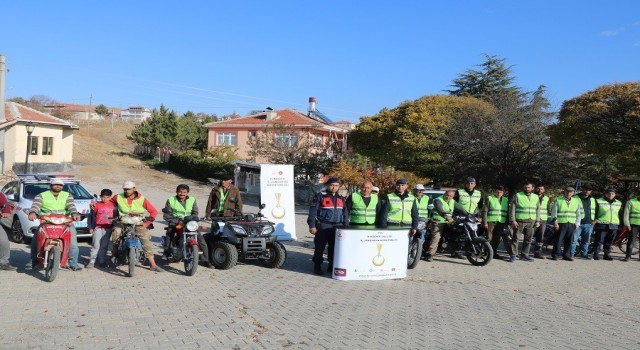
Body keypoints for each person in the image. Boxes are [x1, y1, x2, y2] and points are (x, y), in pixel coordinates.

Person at [27, 178, 83, 271]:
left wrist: (74, 214)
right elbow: (35, 206)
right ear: (51, 185)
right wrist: (32, 212)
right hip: (47, 221)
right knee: (36, 240)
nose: (58, 186)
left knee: (73, 243)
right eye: (56, 184)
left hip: (65, 222)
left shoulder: (67, 195)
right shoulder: (41, 195)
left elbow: (72, 207)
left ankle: (73, 263)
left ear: (62, 186)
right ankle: (34, 260)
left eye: (60, 185)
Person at [109, 181, 163, 272]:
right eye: (125, 189)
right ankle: (114, 253)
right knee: (116, 232)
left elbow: (154, 211)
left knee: (145, 238)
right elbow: (108, 203)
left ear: (134, 189)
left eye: (129, 189)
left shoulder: (142, 199)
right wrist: (96, 204)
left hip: (138, 223)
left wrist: (146, 223)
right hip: (123, 221)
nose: (126, 191)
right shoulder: (118, 197)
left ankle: (152, 264)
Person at [162, 184, 212, 268]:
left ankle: (205, 260)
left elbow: (195, 212)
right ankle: (166, 252)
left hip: (188, 222)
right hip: (175, 221)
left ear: (187, 193)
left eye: (184, 192)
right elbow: (167, 215)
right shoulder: (171, 200)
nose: (182, 194)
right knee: (170, 233)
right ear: (176, 192)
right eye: (180, 192)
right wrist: (177, 221)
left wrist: (194, 219)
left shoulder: (192, 200)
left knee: (201, 240)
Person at [307, 177, 348, 275]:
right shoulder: (320, 196)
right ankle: (317, 266)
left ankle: (331, 265)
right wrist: (312, 225)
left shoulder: (341, 198)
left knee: (334, 247)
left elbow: (345, 214)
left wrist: (346, 227)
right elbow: (312, 212)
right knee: (319, 247)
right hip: (323, 226)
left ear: (339, 187)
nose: (334, 187)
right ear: (327, 185)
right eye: (332, 185)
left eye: (336, 185)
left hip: (337, 227)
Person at [425, 190, 467, 261]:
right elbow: (440, 210)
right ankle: (430, 254)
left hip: (449, 222)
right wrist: (446, 217)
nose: (448, 197)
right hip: (438, 221)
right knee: (436, 237)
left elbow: (461, 209)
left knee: (458, 233)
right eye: (447, 195)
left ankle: (455, 252)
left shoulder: (452, 201)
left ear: (453, 196)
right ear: (444, 194)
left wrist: (469, 215)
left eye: (450, 196)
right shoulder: (438, 200)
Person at [508, 182, 541, 262]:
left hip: (531, 221)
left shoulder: (536, 197)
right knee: (516, 239)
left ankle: (524, 254)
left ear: (532, 188)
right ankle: (513, 255)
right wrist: (513, 220)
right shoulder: (518, 195)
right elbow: (512, 209)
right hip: (519, 221)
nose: (527, 189)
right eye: (525, 187)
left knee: (528, 240)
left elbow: (538, 209)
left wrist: (538, 220)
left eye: (528, 187)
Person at [86, 189, 117, 269]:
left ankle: (102, 261)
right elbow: (91, 217)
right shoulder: (96, 205)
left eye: (107, 197)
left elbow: (116, 217)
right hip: (98, 227)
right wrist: (90, 227)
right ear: (100, 197)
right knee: (95, 245)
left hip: (108, 228)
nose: (105, 199)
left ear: (110, 197)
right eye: (103, 197)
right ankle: (92, 261)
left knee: (104, 245)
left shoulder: (114, 206)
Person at [549, 187, 581, 261]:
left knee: (569, 240)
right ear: (564, 192)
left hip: (571, 223)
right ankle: (555, 255)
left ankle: (566, 255)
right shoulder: (559, 200)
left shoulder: (576, 201)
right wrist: (555, 222)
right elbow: (554, 213)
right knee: (558, 240)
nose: (569, 193)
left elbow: (578, 214)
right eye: (567, 192)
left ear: (573, 193)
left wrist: (577, 223)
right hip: (561, 223)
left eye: (571, 192)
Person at [592, 187, 622, 261]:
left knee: (609, 241)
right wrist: (595, 219)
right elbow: (595, 211)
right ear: (605, 194)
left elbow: (620, 214)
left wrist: (620, 223)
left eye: (612, 193)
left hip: (614, 224)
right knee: (599, 240)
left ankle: (607, 254)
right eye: (608, 193)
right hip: (602, 223)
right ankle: (596, 254)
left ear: (615, 194)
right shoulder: (599, 201)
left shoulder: (618, 203)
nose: (610, 195)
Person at [482, 186, 509, 259]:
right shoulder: (490, 198)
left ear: (503, 193)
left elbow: (507, 212)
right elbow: (485, 210)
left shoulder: (506, 200)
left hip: (501, 222)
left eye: (501, 192)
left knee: (497, 239)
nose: (499, 193)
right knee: (489, 238)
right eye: (497, 192)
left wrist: (506, 223)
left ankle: (494, 253)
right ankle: (486, 252)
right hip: (491, 221)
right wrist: (484, 222)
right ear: (495, 191)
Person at [574, 187, 596, 259]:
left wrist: (595, 220)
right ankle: (571, 253)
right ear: (582, 190)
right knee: (574, 240)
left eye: (589, 190)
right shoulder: (575, 198)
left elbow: (596, 210)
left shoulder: (593, 199)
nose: (586, 191)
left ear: (591, 191)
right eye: (585, 189)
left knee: (586, 241)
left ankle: (584, 254)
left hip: (589, 223)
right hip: (577, 223)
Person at [532, 184, 551, 258]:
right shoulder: (532, 196)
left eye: (541, 189)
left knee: (540, 237)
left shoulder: (546, 198)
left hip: (543, 219)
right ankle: (524, 252)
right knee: (529, 236)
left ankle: (537, 252)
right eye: (538, 189)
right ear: (535, 189)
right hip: (533, 218)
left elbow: (548, 209)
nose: (540, 190)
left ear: (544, 190)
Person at [0, 191, 16, 271]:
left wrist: (6, 211)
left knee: (4, 241)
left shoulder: (0, 195)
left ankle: (3, 262)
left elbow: (5, 204)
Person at [623, 192, 640, 261]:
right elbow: (626, 214)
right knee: (631, 241)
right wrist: (627, 224)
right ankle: (628, 256)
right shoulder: (631, 202)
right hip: (634, 225)